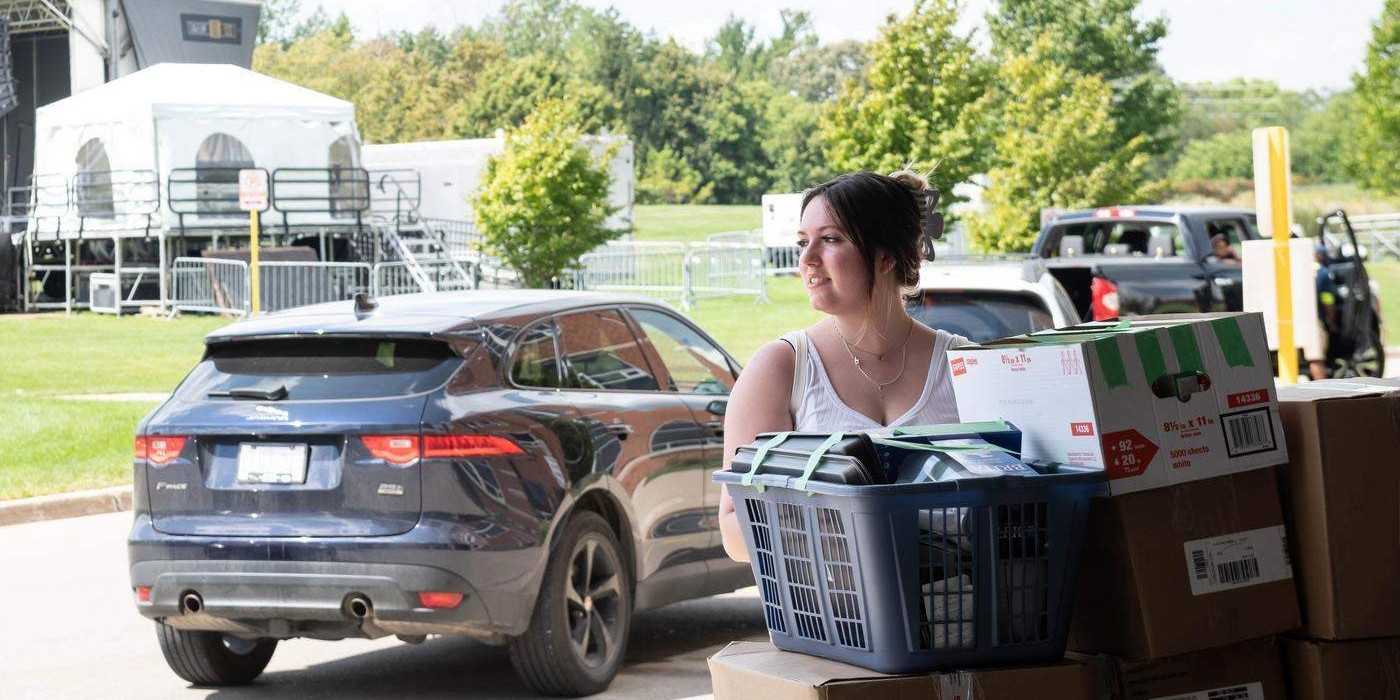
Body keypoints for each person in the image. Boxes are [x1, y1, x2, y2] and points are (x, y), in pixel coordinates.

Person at [717, 171, 971, 562]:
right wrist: (838, 525)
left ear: (885, 256)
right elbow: (734, 531)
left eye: (830, 239)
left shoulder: (964, 366)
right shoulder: (781, 368)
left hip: (959, 617)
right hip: (823, 619)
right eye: (803, 242)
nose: (806, 260)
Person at [1309, 244, 1338, 380]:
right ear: (1319, 255)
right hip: (1315, 320)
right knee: (1316, 358)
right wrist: (1331, 321)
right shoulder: (1323, 272)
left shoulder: (1295, 267)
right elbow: (1328, 301)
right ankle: (1322, 392)